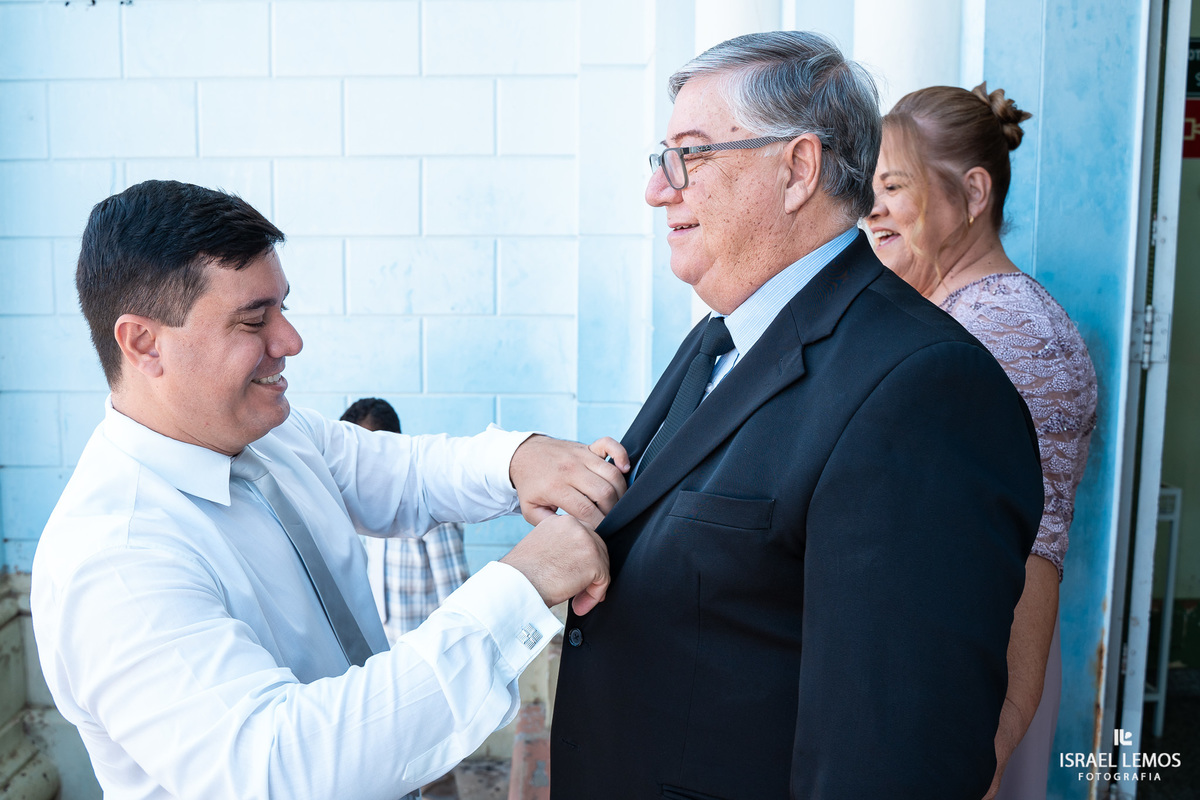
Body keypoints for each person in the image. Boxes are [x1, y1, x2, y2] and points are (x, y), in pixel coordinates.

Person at [550, 31, 1045, 799]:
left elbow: (893, 756)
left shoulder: (923, 391)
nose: (659, 188)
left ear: (798, 169)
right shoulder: (726, 333)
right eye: (662, 156)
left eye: (692, 154)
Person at [30, 179, 631, 800]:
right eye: (253, 320)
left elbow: (408, 474)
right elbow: (282, 768)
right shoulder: (115, 559)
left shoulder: (272, 435)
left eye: (283, 309)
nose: (290, 342)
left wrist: (518, 459)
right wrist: (519, 587)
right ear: (143, 343)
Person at [866, 84, 1098, 800]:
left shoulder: (1003, 329)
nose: (869, 209)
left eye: (893, 187)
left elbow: (1030, 546)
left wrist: (994, 732)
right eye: (867, 188)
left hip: (978, 680)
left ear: (972, 193)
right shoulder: (956, 311)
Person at [341, 397, 471, 642]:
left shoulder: (429, 505)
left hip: (425, 647)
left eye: (363, 455)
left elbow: (455, 594)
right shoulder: (366, 505)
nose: (355, 466)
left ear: (391, 448)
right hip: (386, 644)